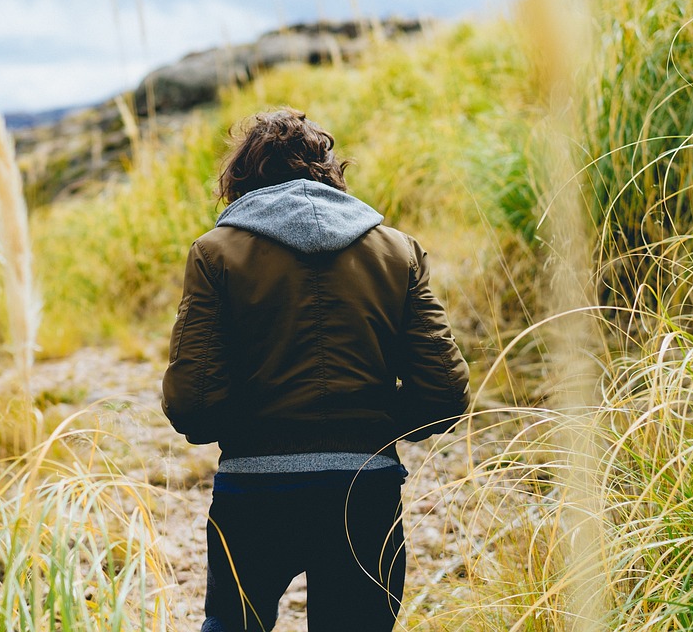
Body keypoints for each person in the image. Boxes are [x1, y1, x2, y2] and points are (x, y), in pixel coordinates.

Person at [162, 107, 470, 632]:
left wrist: (249, 428)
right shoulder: (396, 250)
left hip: (254, 495)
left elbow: (194, 404)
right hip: (366, 490)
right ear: (330, 171)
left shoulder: (215, 254)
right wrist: (371, 429)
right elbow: (444, 393)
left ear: (240, 179)